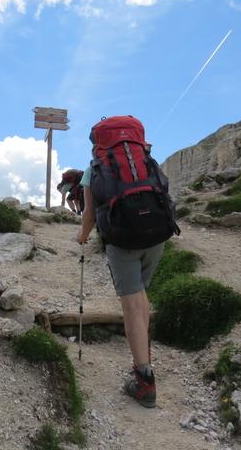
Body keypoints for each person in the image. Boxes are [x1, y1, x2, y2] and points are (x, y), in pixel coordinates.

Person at [76, 116, 177, 409]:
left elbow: (89, 214)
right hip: (156, 236)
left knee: (131, 304)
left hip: (122, 241)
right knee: (141, 293)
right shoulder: (146, 160)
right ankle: (144, 350)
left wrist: (82, 237)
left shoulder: (93, 169)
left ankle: (144, 381)